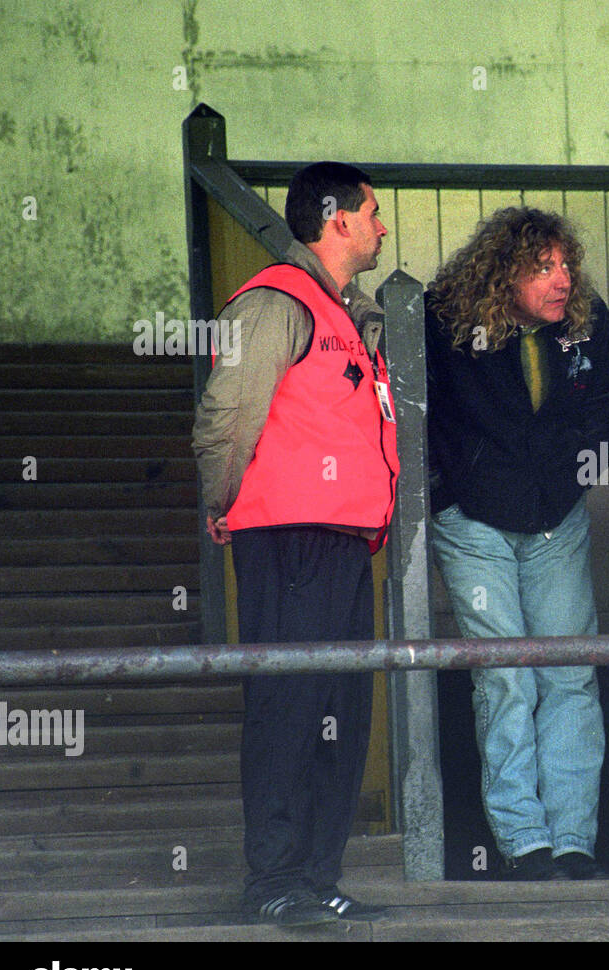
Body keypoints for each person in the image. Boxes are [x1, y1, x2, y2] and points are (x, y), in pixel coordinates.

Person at [193, 162, 398, 926]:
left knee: (342, 710)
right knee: (288, 706)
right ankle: (272, 878)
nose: (382, 226)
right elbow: (227, 408)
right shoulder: (278, 298)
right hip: (288, 535)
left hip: (344, 541)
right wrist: (222, 496)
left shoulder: (346, 309)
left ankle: (316, 875)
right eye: (373, 212)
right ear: (337, 218)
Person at [424, 207, 609, 881]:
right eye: (543, 267)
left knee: (570, 671)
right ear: (502, 271)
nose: (562, 279)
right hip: (475, 520)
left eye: (566, 264)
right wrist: (448, 490)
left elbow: (603, 414)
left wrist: (571, 476)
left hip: (555, 518)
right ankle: (523, 839)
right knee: (505, 674)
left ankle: (573, 840)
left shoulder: (590, 326)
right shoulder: (446, 322)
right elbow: (421, 416)